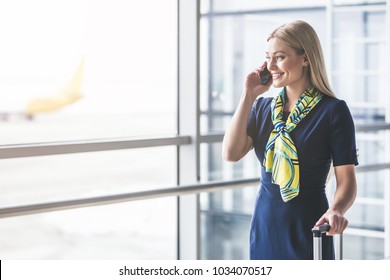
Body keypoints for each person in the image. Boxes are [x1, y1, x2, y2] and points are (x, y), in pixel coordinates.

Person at [222, 20, 358, 260]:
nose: (271, 66)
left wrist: (336, 210)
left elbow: (346, 180)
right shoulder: (262, 108)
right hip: (265, 225)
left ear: (305, 58)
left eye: (280, 57)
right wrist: (248, 95)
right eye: (268, 57)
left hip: (309, 226)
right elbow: (231, 154)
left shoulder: (333, 111)